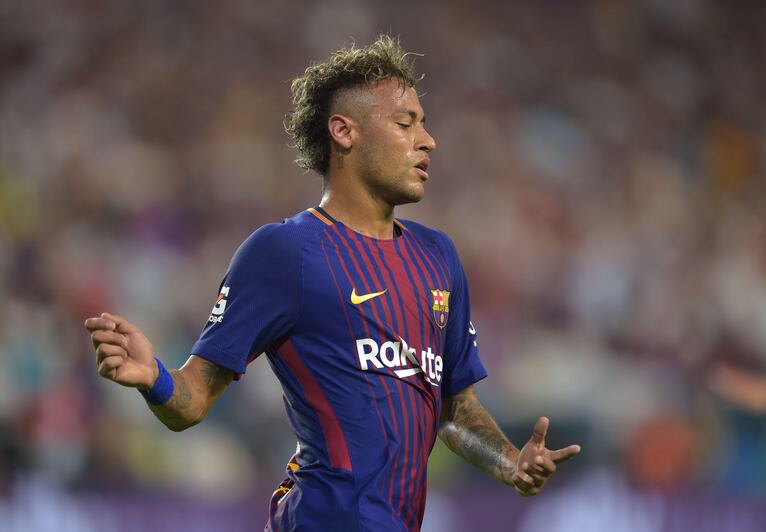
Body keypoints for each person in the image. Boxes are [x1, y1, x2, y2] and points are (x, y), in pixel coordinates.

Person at [84, 35, 581, 531]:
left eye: (424, 125)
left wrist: (509, 463)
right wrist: (155, 378)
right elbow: (192, 400)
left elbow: (455, 409)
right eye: (405, 122)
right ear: (344, 132)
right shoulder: (285, 252)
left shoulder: (439, 257)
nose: (427, 140)